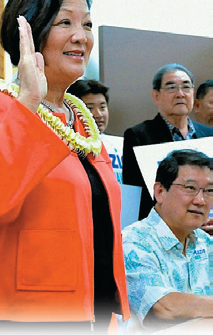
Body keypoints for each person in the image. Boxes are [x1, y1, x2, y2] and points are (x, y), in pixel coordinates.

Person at [0, 0, 130, 334]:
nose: (81, 36)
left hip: (92, 312)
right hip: (18, 316)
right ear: (31, 32)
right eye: (64, 22)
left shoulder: (81, 121)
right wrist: (30, 101)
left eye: (87, 24)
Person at [122, 149, 213, 332]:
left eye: (209, 191)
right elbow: (163, 307)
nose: (200, 200)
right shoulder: (134, 241)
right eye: (190, 188)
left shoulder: (205, 241)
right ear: (160, 191)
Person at [122, 63, 213, 221]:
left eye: (186, 87)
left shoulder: (209, 134)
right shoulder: (139, 135)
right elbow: (136, 195)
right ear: (156, 96)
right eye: (171, 87)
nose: (180, 94)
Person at [67, 79, 123, 183]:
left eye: (102, 107)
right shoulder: (69, 147)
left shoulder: (121, 145)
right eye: (90, 108)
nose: (98, 114)